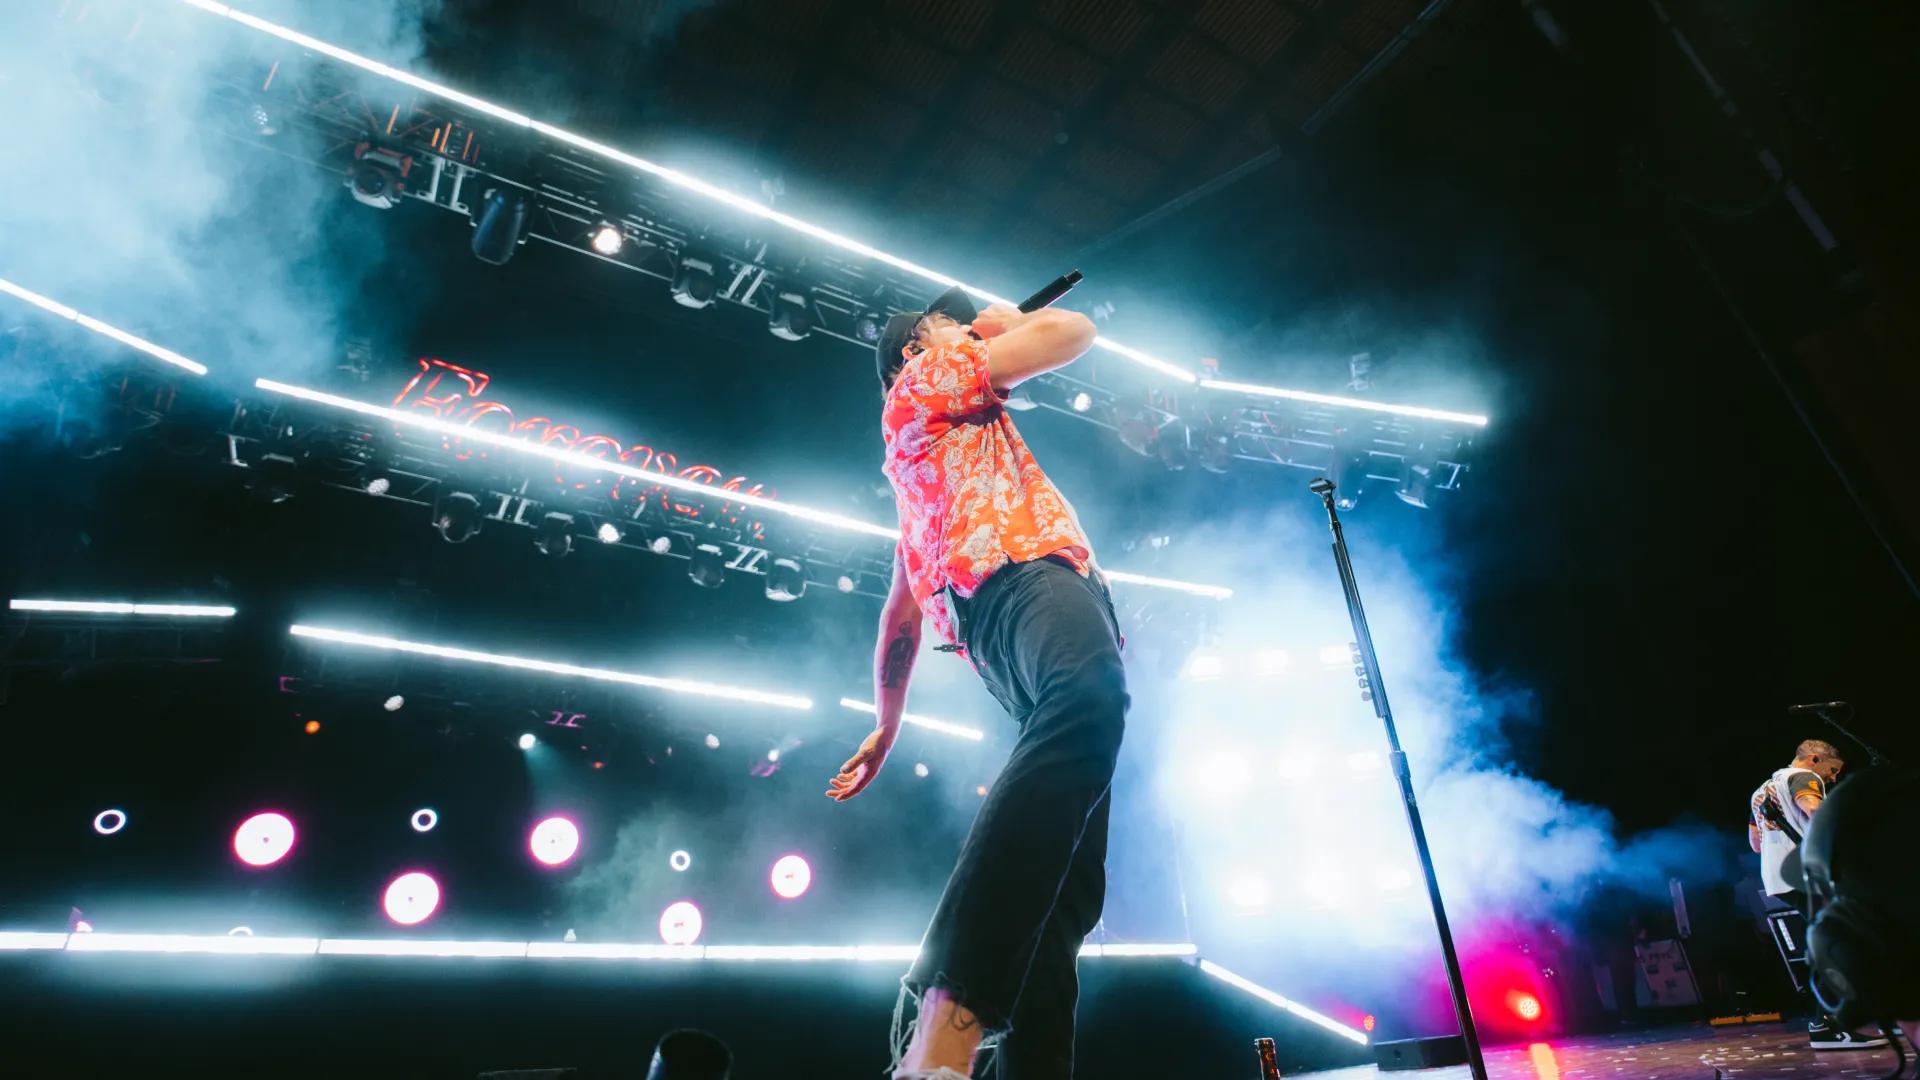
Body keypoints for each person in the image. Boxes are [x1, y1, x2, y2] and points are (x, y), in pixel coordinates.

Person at [827, 286, 1125, 1080]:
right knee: (1090, 698)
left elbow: (900, 619)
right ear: (918, 350)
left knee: (1059, 896)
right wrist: (1003, 323)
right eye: (947, 326)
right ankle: (945, 1021)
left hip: (1005, 624)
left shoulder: (923, 468)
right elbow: (1073, 329)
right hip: (1022, 577)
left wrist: (887, 726)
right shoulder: (927, 381)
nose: (964, 328)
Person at [1747, 738, 1887, 1050]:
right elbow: (1812, 807)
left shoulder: (1760, 791)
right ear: (1813, 759)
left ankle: (1841, 1021)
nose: (1834, 778)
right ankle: (1829, 1026)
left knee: (1834, 940)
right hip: (1807, 875)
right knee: (1841, 942)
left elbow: (1755, 843)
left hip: (1779, 878)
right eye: (1833, 770)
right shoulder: (1804, 778)